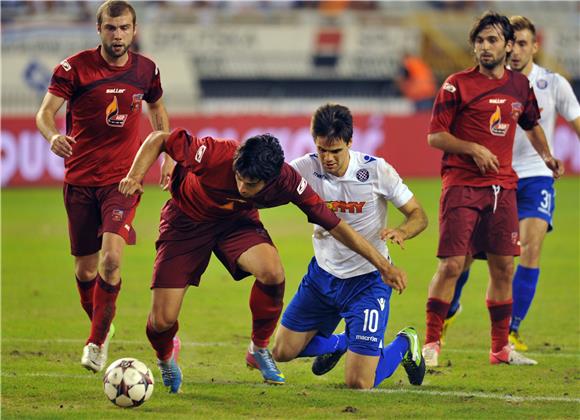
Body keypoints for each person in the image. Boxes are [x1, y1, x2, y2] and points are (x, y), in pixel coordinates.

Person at [118, 129, 408, 393]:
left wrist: (384, 265)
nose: (243, 186)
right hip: (185, 223)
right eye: (239, 178)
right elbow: (159, 138)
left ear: (271, 180)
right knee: (162, 320)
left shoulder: (288, 182)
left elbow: (336, 226)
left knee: (272, 272)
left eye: (251, 183)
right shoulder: (214, 153)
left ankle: (258, 348)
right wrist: (134, 176)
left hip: (235, 223)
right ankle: (166, 358)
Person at [35, 0, 172, 373]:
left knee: (111, 260)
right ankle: (103, 325)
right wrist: (51, 137)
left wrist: (168, 154)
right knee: (85, 271)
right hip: (80, 182)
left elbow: (158, 111)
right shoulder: (74, 68)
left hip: (123, 182)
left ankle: (95, 343)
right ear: (99, 30)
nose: (118, 35)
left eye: (124, 28)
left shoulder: (146, 70)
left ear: (134, 29)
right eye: (111, 28)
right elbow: (45, 114)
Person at [421, 11, 564, 368]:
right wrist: (473, 148)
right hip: (462, 186)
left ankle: (500, 349)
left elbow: (531, 124)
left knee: (504, 268)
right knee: (452, 265)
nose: (485, 47)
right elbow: (435, 135)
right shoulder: (456, 84)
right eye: (480, 41)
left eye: (493, 40)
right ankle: (431, 343)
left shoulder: (520, 87)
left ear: (507, 45)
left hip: (503, 189)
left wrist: (547, 156)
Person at [271, 104, 429, 389]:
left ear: (350, 142)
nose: (328, 159)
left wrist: (402, 231)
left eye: (335, 151)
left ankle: (405, 342)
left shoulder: (376, 170)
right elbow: (268, 189)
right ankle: (342, 342)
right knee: (281, 352)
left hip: (367, 281)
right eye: (322, 150)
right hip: (322, 278)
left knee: (359, 383)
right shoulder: (304, 168)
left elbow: (419, 215)